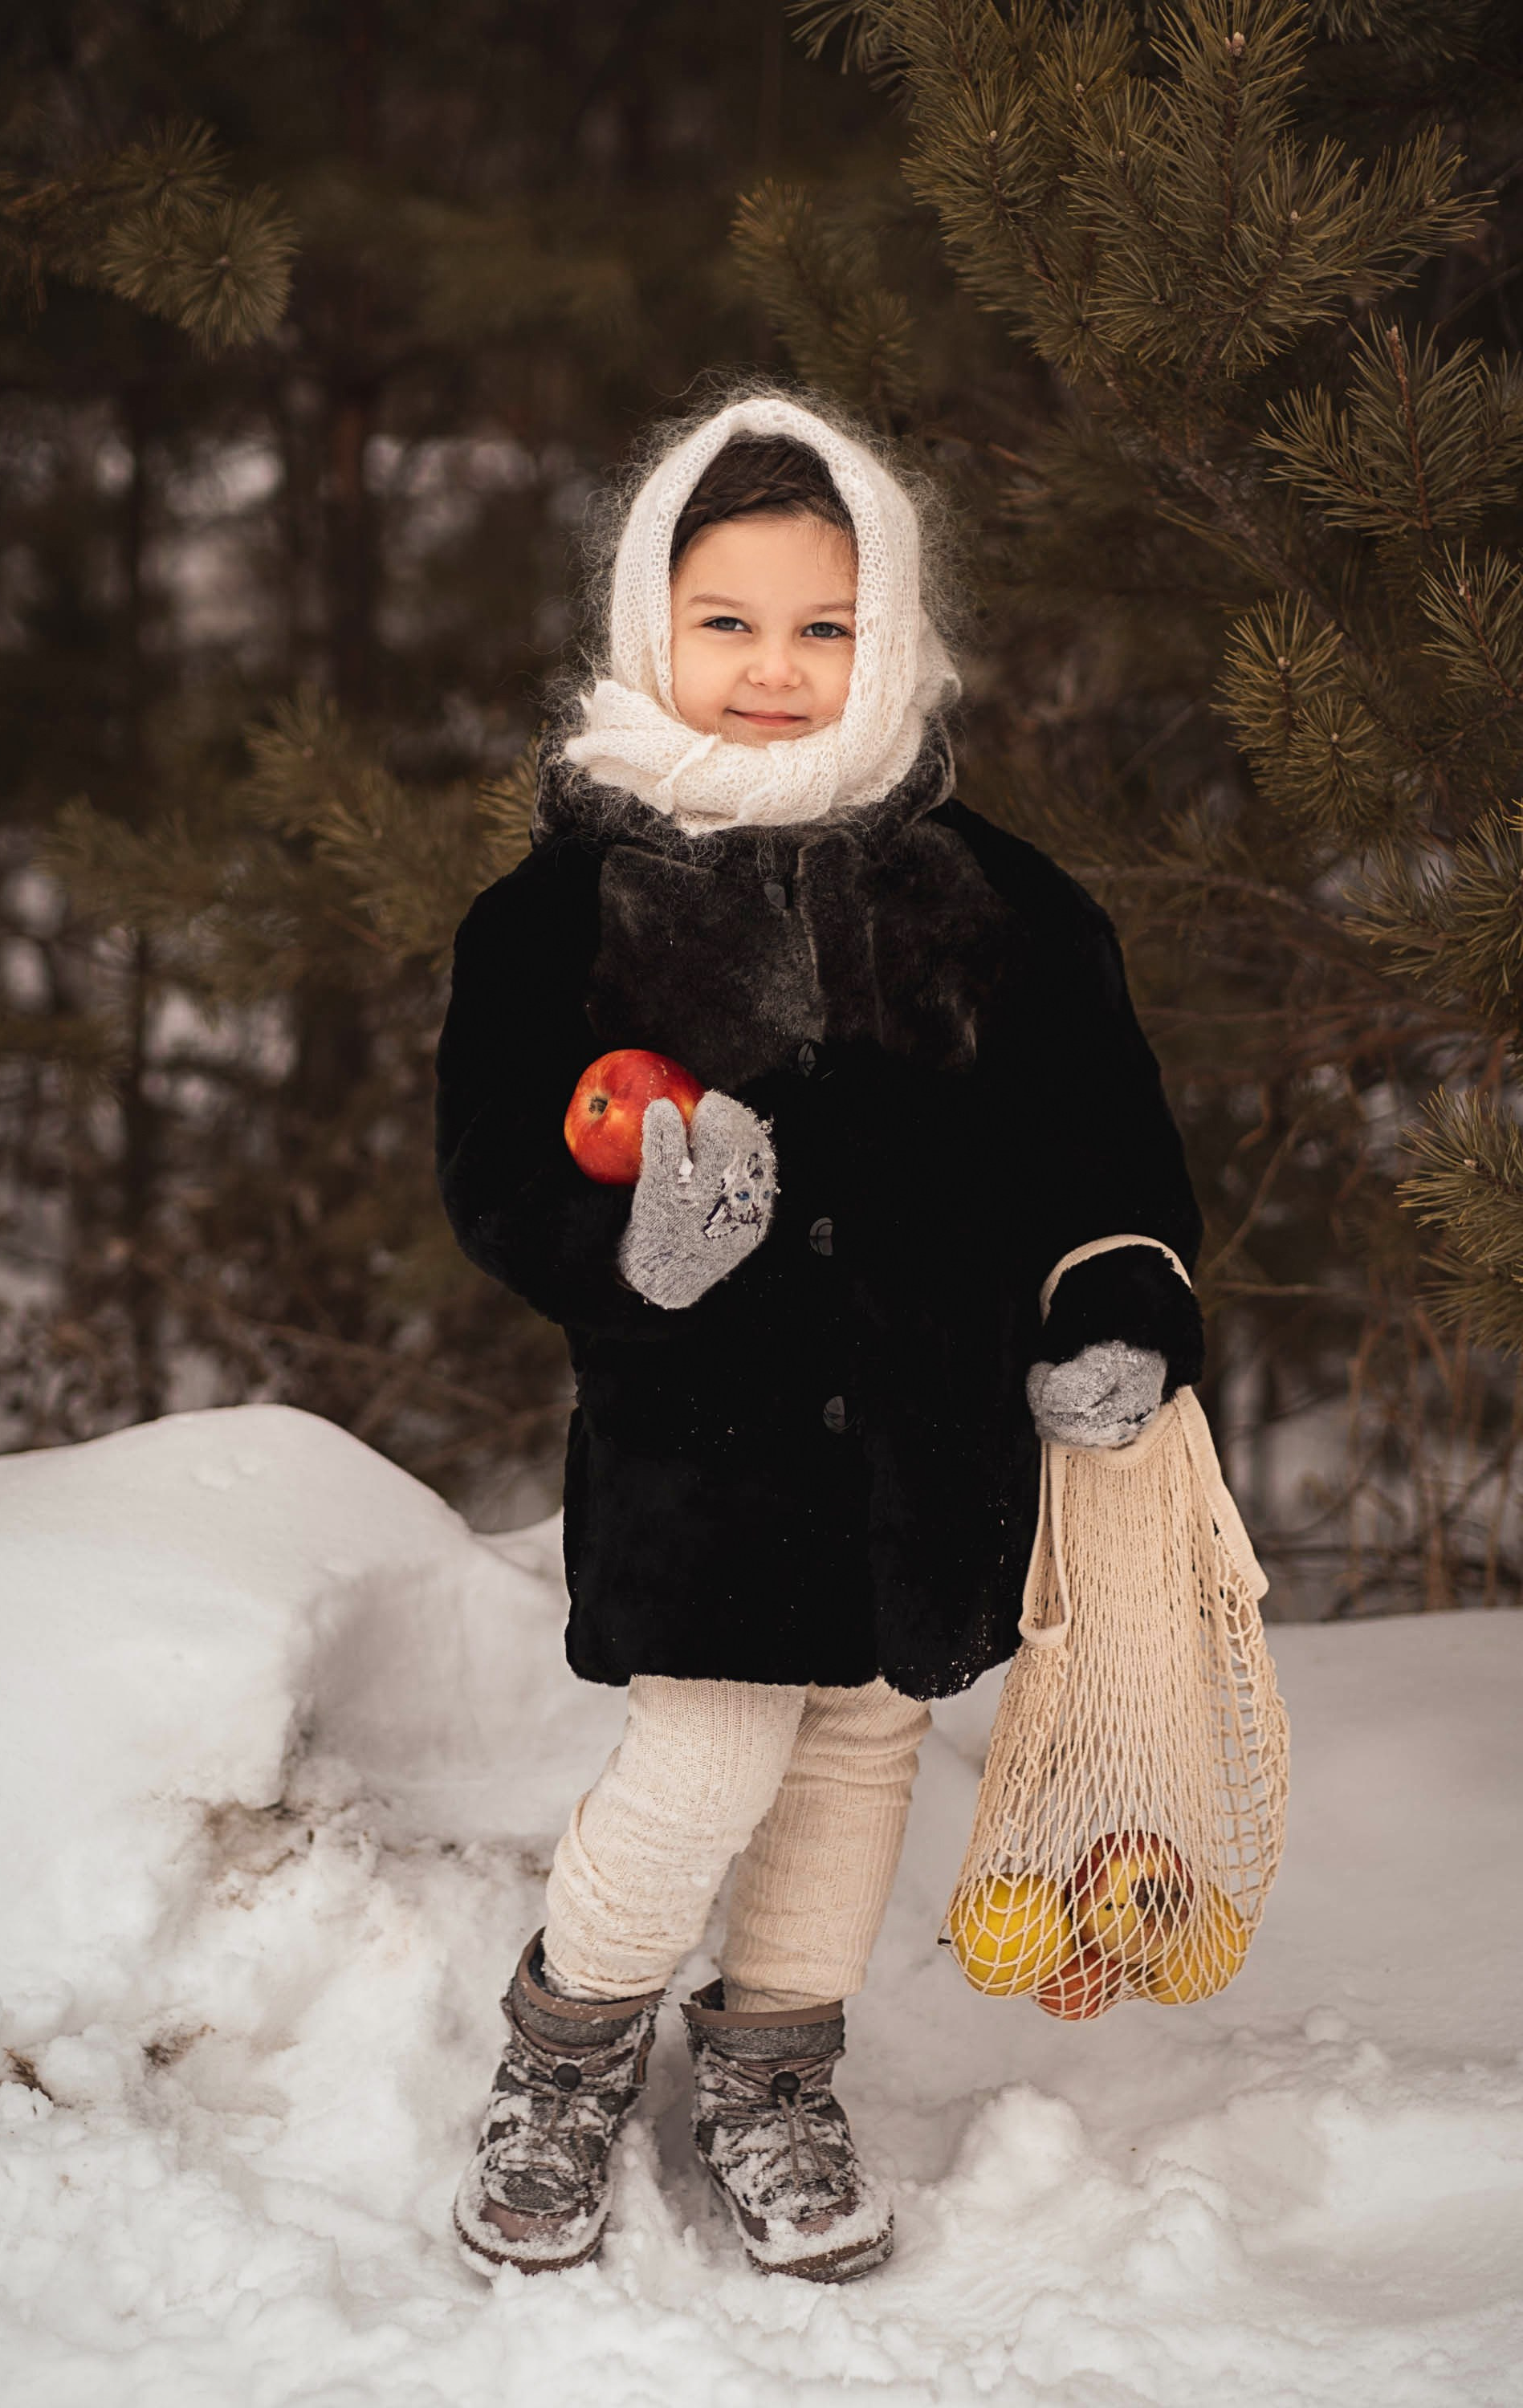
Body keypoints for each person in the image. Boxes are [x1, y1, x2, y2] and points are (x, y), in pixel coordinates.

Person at [433, 389, 1203, 2284]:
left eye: (823, 626)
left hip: (936, 1433)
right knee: (705, 1757)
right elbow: (493, 1169)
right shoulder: (561, 911)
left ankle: (774, 2073)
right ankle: (563, 2056)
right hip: (704, 1444)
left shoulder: (995, 899)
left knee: (859, 1752)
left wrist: (1116, 1303)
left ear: (892, 633)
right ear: (652, 623)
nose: (774, 668)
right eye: (727, 621)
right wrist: (632, 1251)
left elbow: (1102, 1148)